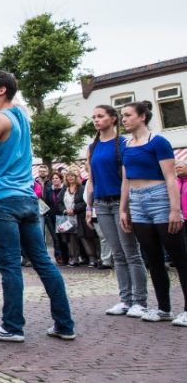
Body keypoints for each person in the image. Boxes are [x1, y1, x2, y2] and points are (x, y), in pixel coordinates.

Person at [0, 69, 74, 342]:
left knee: (9, 266)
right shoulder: (20, 113)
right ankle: (65, 324)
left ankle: (11, 327)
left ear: (1, 91)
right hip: (27, 200)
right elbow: (14, 92)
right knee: (43, 261)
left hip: (4, 201)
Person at [118, 101, 187, 326]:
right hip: (137, 202)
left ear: (142, 117)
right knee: (153, 258)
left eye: (127, 115)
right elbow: (126, 180)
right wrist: (123, 208)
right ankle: (164, 308)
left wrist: (175, 210)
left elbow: (170, 178)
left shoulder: (159, 142)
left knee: (179, 257)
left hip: (160, 199)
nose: (124, 119)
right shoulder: (126, 145)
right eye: (122, 116)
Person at [84, 104, 147, 317]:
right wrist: (89, 207)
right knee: (117, 254)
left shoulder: (123, 143)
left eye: (100, 116)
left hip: (120, 201)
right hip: (101, 204)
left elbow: (126, 179)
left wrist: (124, 208)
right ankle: (125, 300)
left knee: (131, 252)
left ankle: (140, 301)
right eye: (94, 117)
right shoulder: (92, 147)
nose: (96, 120)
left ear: (112, 119)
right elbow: (91, 180)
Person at [59, 168, 99, 266]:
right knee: (71, 239)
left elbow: (85, 202)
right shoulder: (64, 189)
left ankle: (92, 258)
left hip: (80, 216)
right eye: (68, 176)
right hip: (68, 218)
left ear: (76, 177)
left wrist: (74, 209)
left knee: (85, 238)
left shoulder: (81, 188)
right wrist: (65, 210)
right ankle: (74, 258)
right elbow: (59, 202)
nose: (70, 178)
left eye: (72, 176)